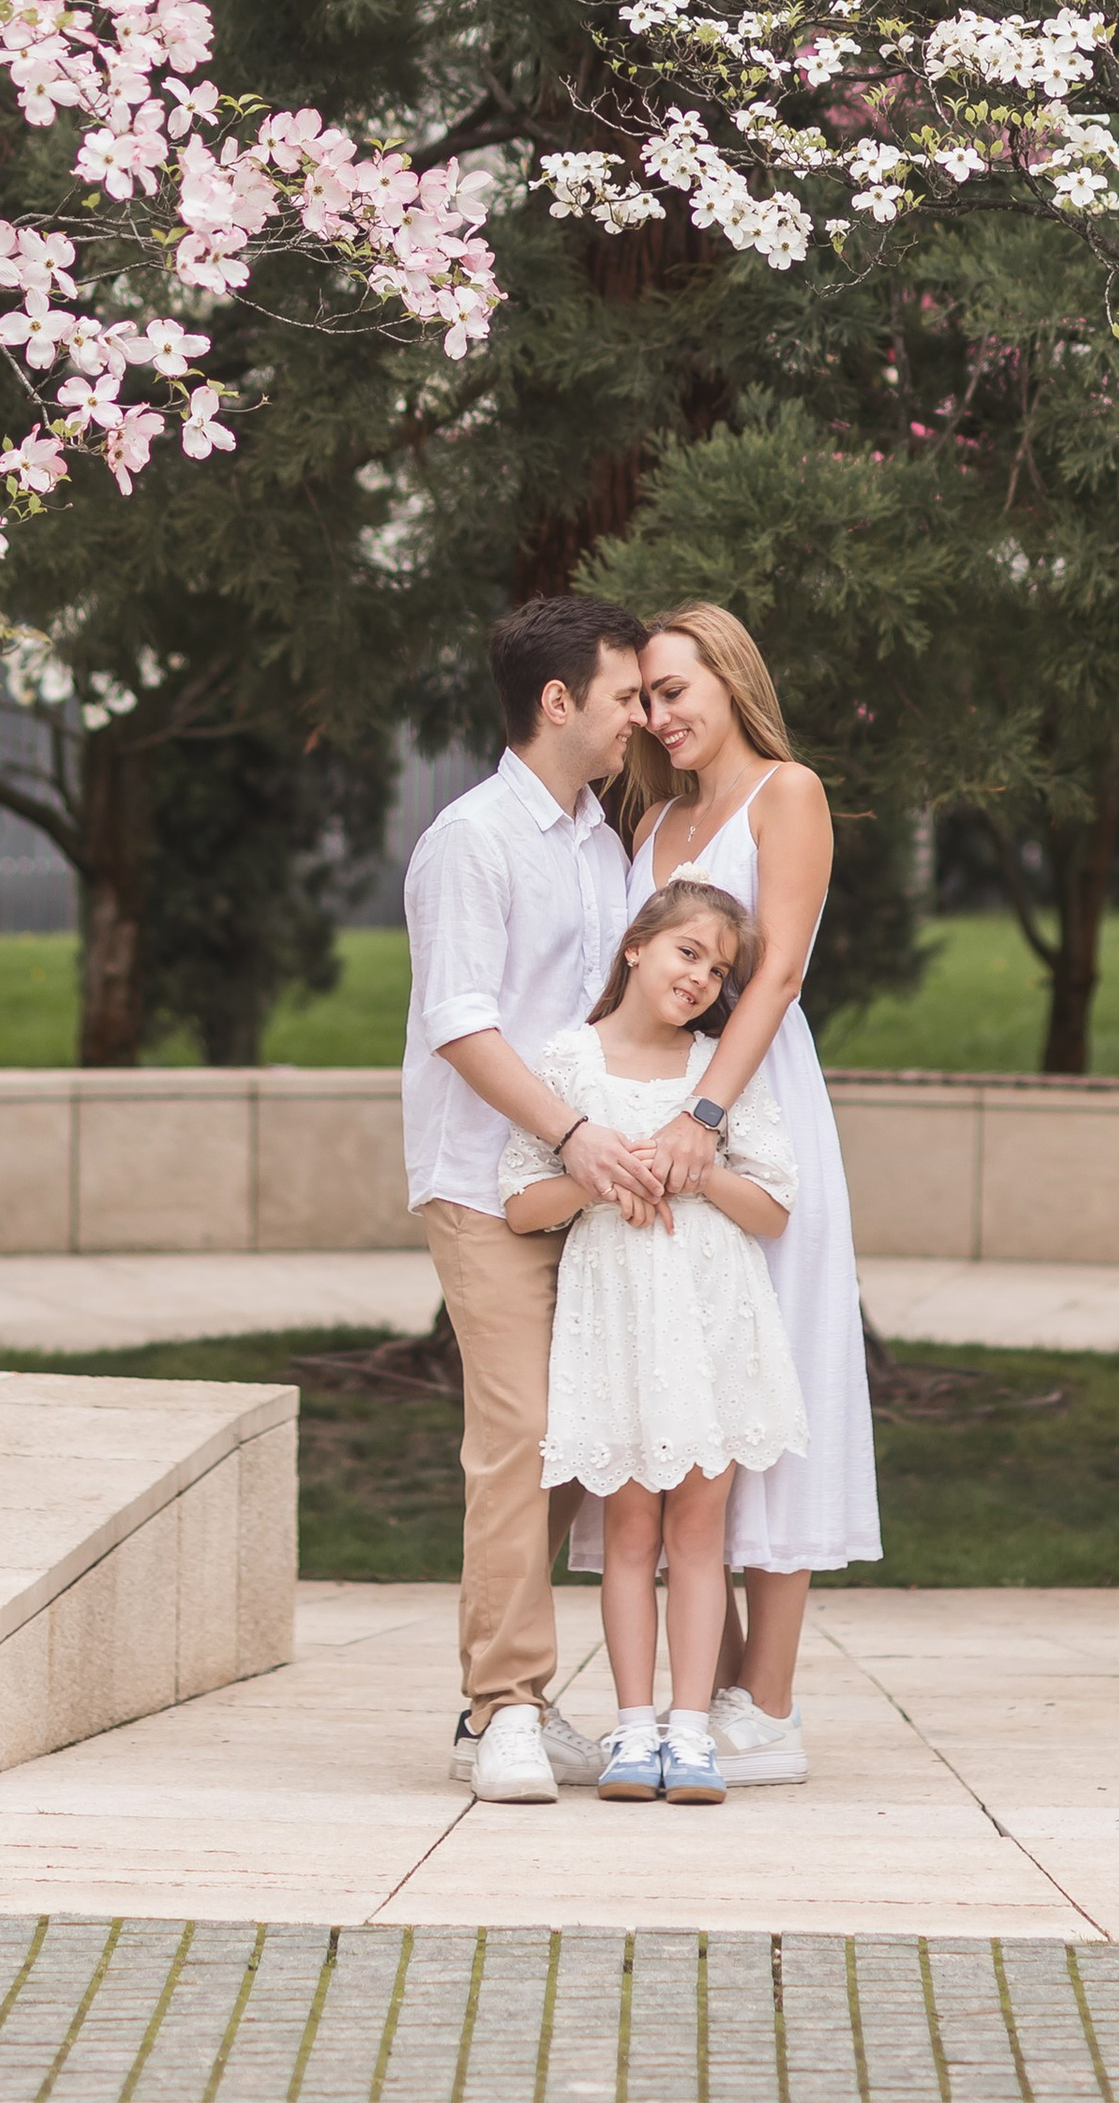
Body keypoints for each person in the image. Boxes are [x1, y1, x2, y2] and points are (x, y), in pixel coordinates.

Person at [611, 603, 881, 1784]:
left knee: (779, 1372)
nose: (661, 716)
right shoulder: (655, 814)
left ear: (729, 675)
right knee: (692, 1382)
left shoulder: (788, 792)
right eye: (647, 698)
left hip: (751, 1103)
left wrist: (705, 1113)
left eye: (677, 689)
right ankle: (699, 1692)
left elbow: (773, 972)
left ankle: (766, 1704)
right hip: (651, 1114)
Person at [400, 594, 663, 1805]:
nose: (637, 721)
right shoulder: (471, 840)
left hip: (582, 1183)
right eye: (622, 698)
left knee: (567, 1444)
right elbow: (461, 1022)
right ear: (557, 702)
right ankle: (506, 1705)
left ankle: (493, 1706)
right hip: (482, 1184)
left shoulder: (598, 842)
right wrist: (572, 1131)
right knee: (514, 1436)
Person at [498, 878, 806, 1806]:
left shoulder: (718, 1072)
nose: (702, 978)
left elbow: (776, 1208)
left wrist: (700, 1169)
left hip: (711, 1324)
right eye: (687, 953)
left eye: (718, 969)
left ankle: (692, 1732)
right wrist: (598, 1177)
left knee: (699, 1533)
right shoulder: (566, 1062)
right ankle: (633, 1730)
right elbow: (520, 1202)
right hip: (621, 1326)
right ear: (635, 945)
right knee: (631, 1528)